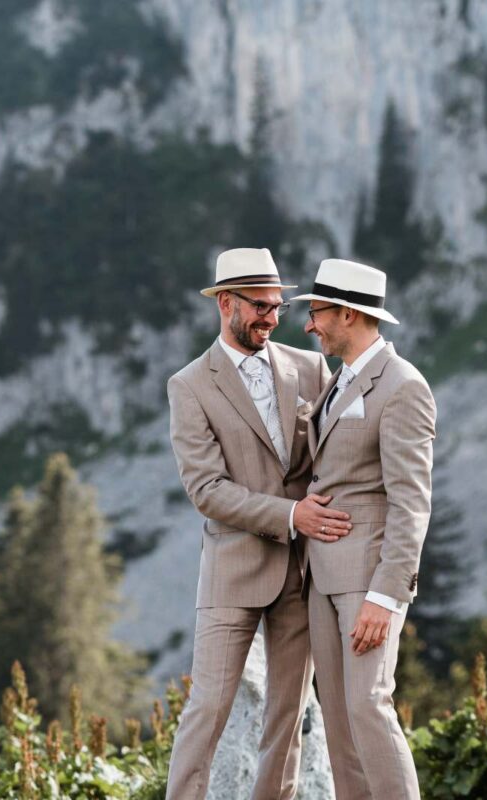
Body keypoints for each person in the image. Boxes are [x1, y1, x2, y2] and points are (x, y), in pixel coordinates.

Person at [165, 248, 349, 800]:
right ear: (226, 304)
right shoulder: (190, 385)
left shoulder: (311, 368)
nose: (272, 317)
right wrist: (291, 515)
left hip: (301, 573)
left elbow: (334, 455)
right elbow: (206, 490)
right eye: (260, 306)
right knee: (208, 709)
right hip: (231, 570)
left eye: (278, 306)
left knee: (287, 716)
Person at [293, 258, 435, 800]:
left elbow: (411, 501)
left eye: (318, 312)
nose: (310, 324)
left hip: (367, 582)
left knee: (368, 707)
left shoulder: (402, 387)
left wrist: (386, 595)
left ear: (348, 314)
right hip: (321, 577)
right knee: (339, 718)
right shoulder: (339, 382)